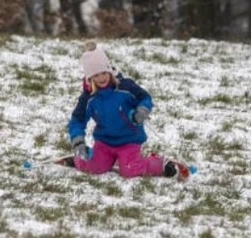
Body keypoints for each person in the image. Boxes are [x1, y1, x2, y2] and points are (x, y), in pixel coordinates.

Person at [64, 42, 190, 179]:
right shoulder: (89, 97)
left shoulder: (125, 87)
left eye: (103, 72)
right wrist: (78, 142)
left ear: (109, 70)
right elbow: (78, 120)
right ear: (90, 78)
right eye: (96, 75)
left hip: (129, 140)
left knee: (130, 170)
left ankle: (161, 164)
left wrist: (142, 110)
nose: (101, 78)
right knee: (95, 169)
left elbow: (145, 98)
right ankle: (81, 157)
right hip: (104, 142)